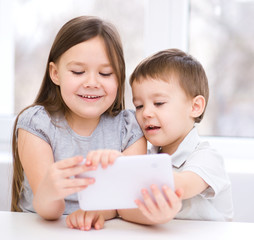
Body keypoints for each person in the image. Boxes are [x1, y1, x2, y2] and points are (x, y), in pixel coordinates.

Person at [11, 16, 147, 230]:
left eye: (105, 73)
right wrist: (50, 189)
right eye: (78, 72)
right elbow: (49, 210)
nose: (92, 83)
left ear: (119, 77)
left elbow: (126, 201)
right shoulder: (37, 123)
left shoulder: (129, 128)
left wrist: (95, 212)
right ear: (55, 74)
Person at [122, 48, 234, 223]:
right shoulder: (149, 156)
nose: (146, 113)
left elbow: (183, 185)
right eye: (139, 106)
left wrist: (124, 168)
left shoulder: (207, 157)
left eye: (159, 103)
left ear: (195, 107)